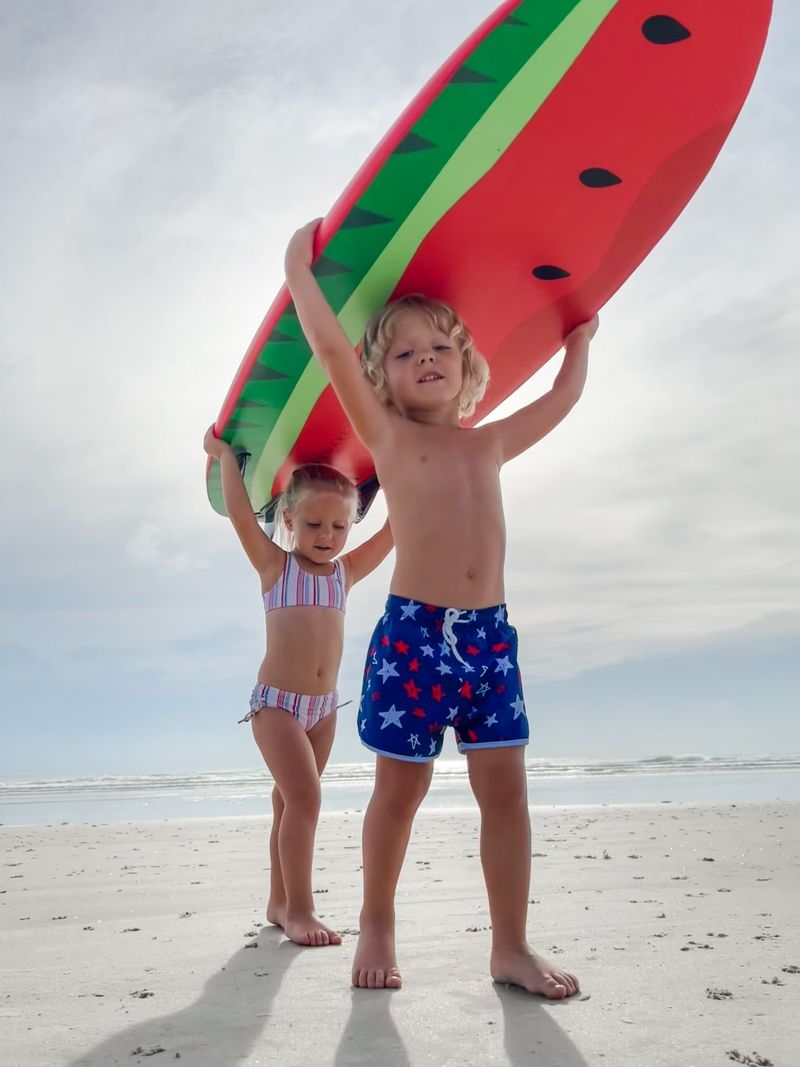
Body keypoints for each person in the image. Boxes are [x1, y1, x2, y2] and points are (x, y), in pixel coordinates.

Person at [284, 219, 598, 994]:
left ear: (467, 364)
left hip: (490, 641)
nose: (425, 357)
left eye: (440, 345)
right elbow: (329, 350)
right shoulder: (387, 437)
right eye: (403, 351)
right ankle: (379, 922)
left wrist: (580, 338)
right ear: (382, 380)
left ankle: (511, 946)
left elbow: (562, 400)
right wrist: (298, 270)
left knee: (508, 792)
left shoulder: (488, 442)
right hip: (415, 637)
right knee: (400, 790)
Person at [204, 427, 393, 946]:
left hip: (324, 710)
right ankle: (301, 911)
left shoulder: (344, 574)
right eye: (313, 523)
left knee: (289, 805)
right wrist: (224, 455)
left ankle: (278, 901)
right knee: (306, 801)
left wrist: (405, 463)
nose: (327, 534)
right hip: (277, 708)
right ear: (288, 521)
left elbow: (395, 528)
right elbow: (242, 517)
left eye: (339, 525)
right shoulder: (276, 566)